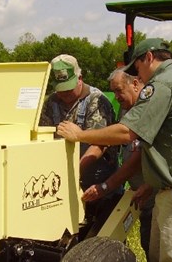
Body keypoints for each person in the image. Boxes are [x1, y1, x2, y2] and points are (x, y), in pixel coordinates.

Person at [56, 39, 172, 262]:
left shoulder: (163, 84)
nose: (138, 76)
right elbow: (171, 144)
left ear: (149, 57)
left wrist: (80, 135)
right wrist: (151, 184)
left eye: (137, 68)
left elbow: (128, 133)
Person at [39, 54, 120, 239]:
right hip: (64, 183)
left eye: (69, 89)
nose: (65, 95)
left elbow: (100, 144)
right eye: (61, 90)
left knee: (100, 242)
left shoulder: (97, 102)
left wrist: (74, 171)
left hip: (98, 186)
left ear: (80, 79)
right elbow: (44, 137)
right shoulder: (51, 103)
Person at [79, 68, 155, 261]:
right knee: (146, 242)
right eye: (113, 92)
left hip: (155, 191)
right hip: (139, 191)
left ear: (135, 84)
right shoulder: (126, 108)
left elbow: (136, 160)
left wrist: (106, 186)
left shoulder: (149, 110)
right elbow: (109, 140)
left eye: (119, 90)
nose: (117, 97)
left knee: (157, 244)